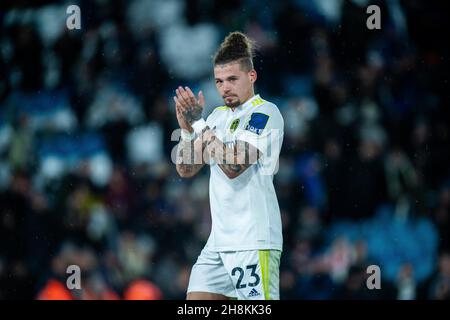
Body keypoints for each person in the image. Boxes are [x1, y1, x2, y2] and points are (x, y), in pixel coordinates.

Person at [173, 31, 284, 300]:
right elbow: (185, 169)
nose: (225, 88)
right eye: (219, 81)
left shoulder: (264, 113)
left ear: (251, 76)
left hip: (253, 240)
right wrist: (187, 131)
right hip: (219, 243)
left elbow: (233, 166)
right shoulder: (216, 117)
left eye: (232, 79)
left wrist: (199, 124)